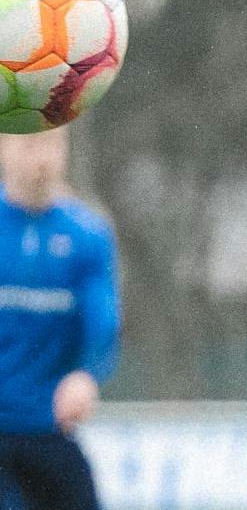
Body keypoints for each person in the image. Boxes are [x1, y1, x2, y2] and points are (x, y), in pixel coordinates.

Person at [0, 130, 120, 510]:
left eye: (53, 144)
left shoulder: (88, 235)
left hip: (49, 431)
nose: (44, 157)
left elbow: (103, 328)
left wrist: (86, 375)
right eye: (31, 144)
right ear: (4, 148)